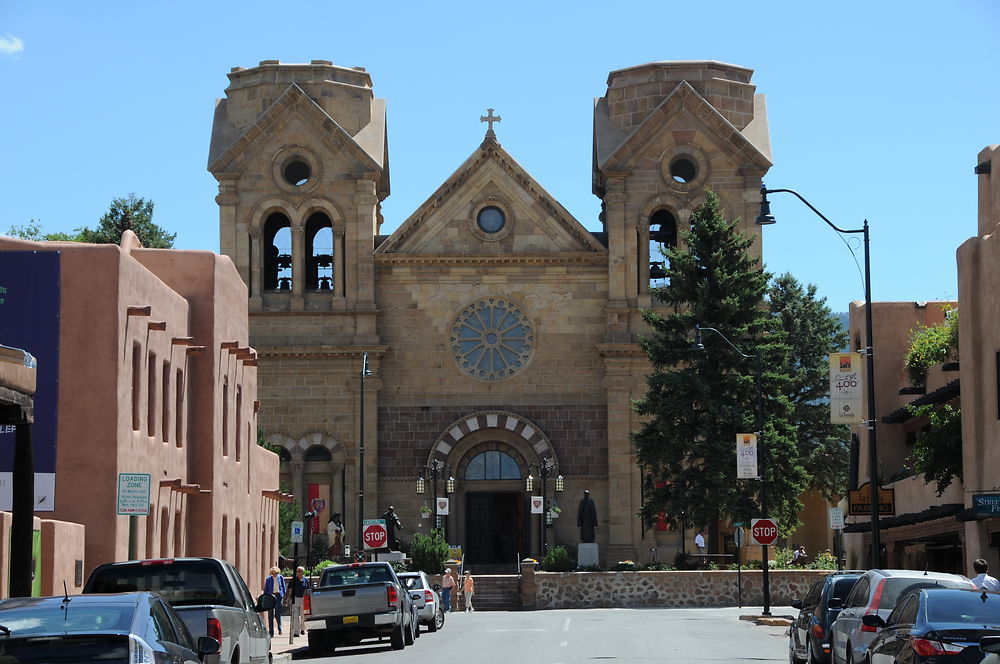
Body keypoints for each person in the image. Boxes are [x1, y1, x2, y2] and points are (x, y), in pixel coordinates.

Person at [286, 566, 310, 643]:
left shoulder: (306, 580)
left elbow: (308, 589)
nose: (298, 573)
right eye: (297, 571)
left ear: (303, 572)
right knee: (295, 615)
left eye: (300, 571)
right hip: (295, 598)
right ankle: (297, 632)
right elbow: (289, 589)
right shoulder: (293, 580)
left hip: (304, 598)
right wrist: (286, 599)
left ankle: (302, 629)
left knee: (303, 615)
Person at [263, 566, 286, 637]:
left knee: (278, 614)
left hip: (278, 596)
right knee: (270, 615)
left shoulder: (281, 577)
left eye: (275, 572)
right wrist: (266, 597)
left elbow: (283, 587)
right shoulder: (268, 579)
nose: (273, 574)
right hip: (271, 596)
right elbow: (266, 589)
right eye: (272, 572)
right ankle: (271, 632)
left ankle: (280, 628)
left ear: (277, 572)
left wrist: (283, 595)